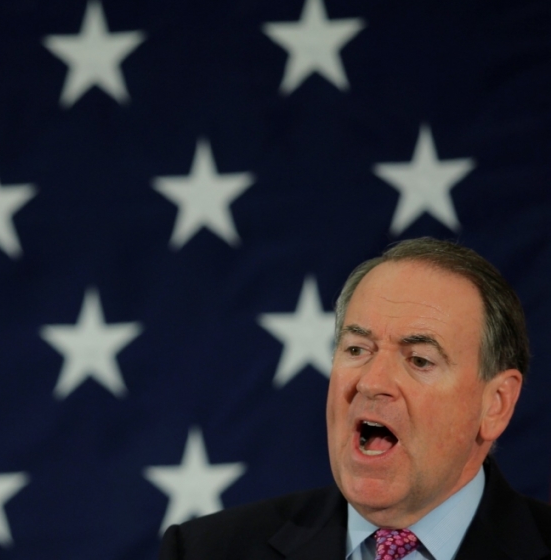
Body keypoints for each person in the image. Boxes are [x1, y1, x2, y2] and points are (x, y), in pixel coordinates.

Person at [158, 237, 551, 559]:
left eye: (419, 360)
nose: (371, 382)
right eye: (357, 349)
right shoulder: (206, 552)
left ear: (495, 404)